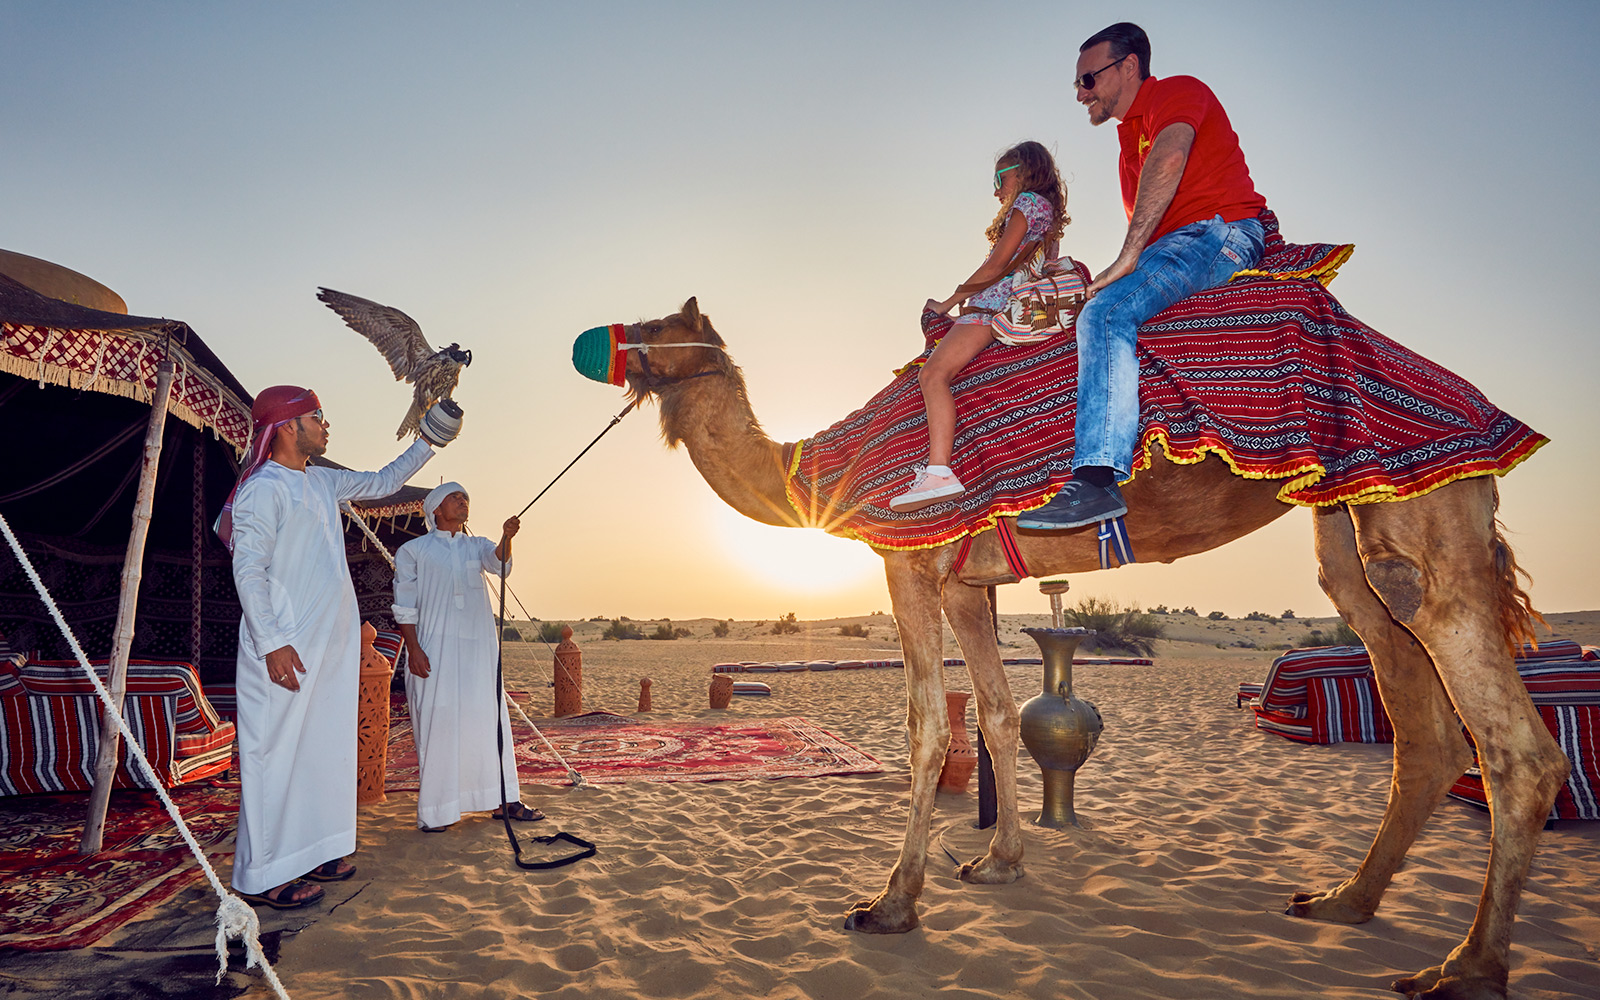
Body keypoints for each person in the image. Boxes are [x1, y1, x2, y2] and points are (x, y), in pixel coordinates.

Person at [1018, 22, 1267, 530]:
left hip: (1215, 234)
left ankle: (1095, 480)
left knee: (1106, 313)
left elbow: (1172, 156)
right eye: (1077, 84)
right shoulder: (1126, 138)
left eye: (1088, 79)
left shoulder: (1176, 92)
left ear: (1127, 67)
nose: (1081, 93)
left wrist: (1128, 258)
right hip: (1177, 245)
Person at [224, 385, 449, 909]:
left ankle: (317, 849)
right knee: (275, 754)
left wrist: (430, 437)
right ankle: (263, 876)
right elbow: (248, 569)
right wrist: (272, 643)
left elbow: (384, 480)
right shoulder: (263, 488)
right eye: (317, 417)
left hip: (328, 648)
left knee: (323, 748)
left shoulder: (322, 482)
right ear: (286, 427)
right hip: (283, 649)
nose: (327, 426)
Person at [890, 140, 1069, 513]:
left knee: (933, 376)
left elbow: (996, 265)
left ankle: (938, 472)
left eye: (1000, 177)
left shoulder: (1026, 203)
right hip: (1010, 308)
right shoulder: (1048, 213)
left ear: (1022, 172)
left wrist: (949, 302)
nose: (996, 188)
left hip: (990, 307)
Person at [392, 482, 543, 832]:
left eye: (466, 498)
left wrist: (507, 538)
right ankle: (438, 811)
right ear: (436, 510)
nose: (463, 502)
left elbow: (499, 565)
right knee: (439, 723)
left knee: (488, 719)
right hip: (433, 649)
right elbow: (404, 603)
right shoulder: (414, 550)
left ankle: (503, 800)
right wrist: (413, 648)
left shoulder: (477, 546)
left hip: (478, 649)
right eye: (455, 497)